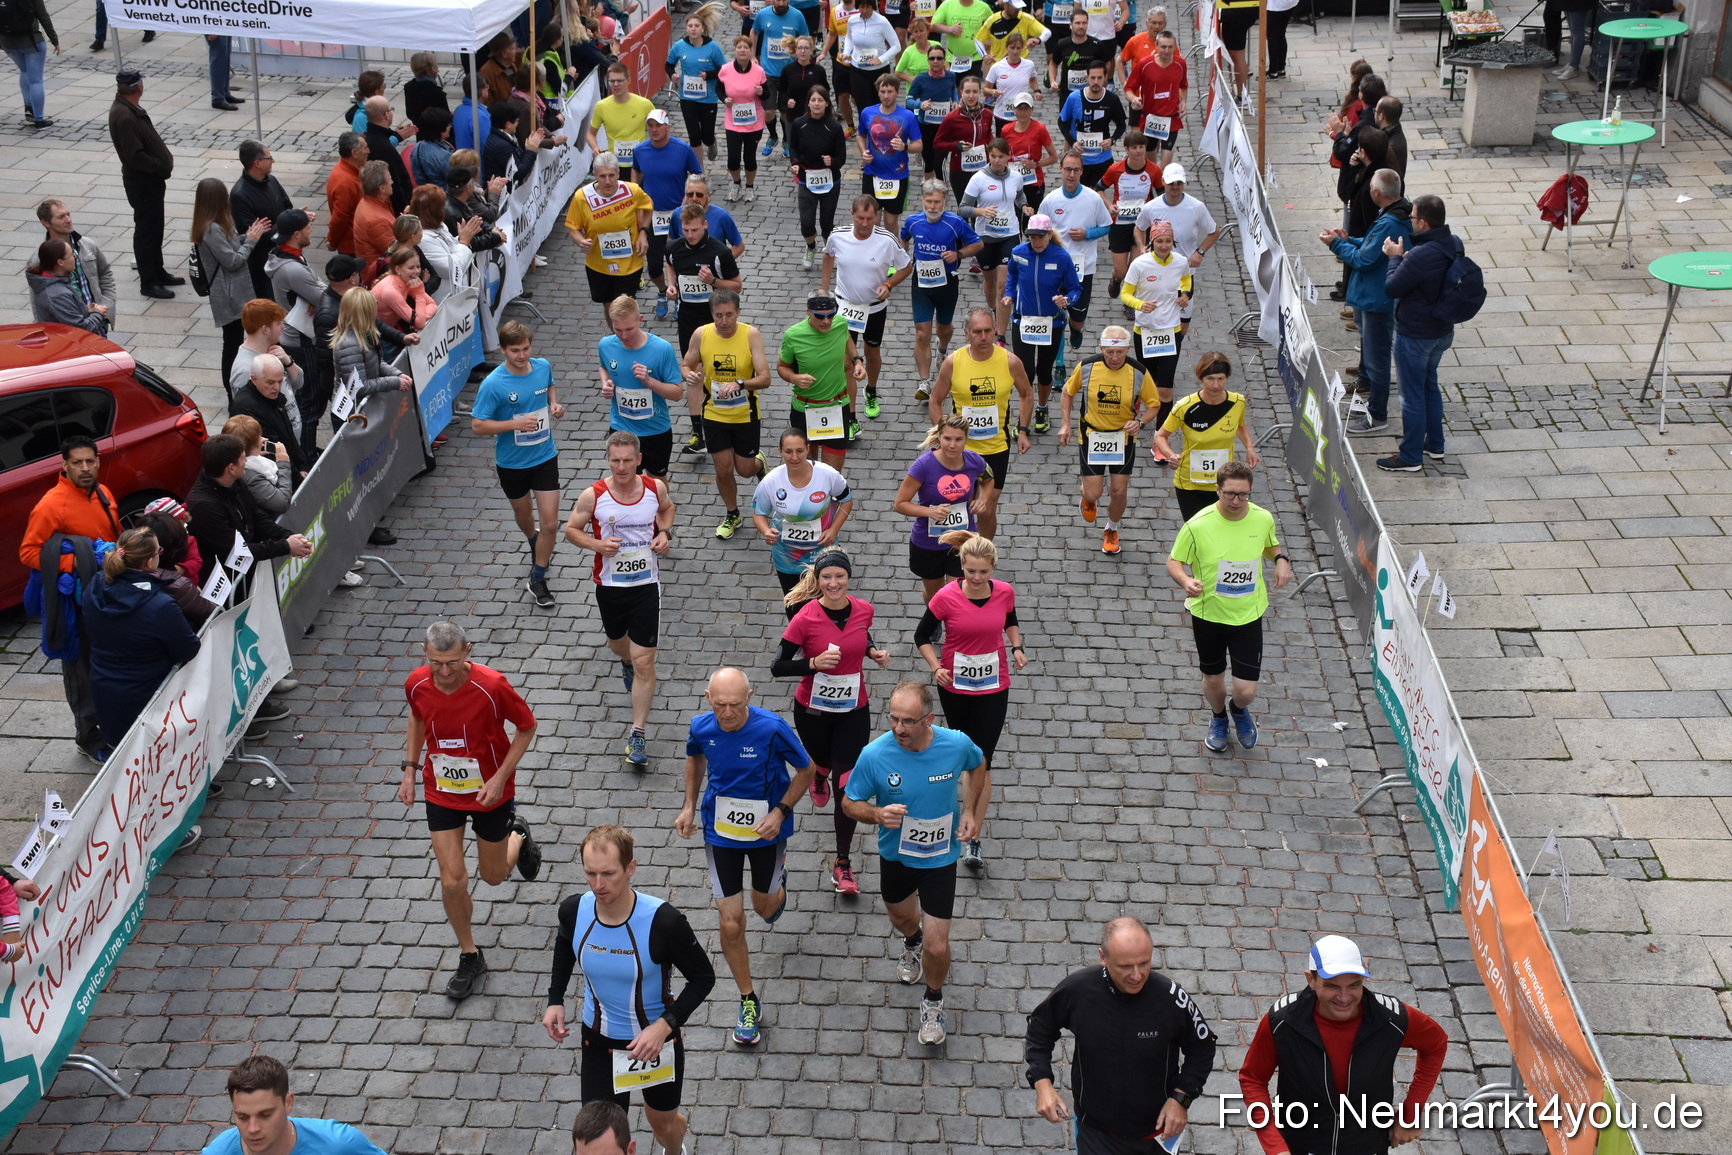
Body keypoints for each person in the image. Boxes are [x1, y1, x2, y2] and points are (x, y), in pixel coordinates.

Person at [544, 826, 714, 1155]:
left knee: (663, 1126)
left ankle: (675, 1150)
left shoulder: (664, 922)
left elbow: (703, 978)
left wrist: (664, 1026)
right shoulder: (574, 910)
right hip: (599, 1044)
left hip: (655, 1045)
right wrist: (555, 999)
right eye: (590, 873)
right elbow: (565, 943)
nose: (598, 884)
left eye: (608, 874)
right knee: (598, 1141)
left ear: (630, 868)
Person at [841, 680, 989, 1047]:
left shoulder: (955, 744)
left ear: (929, 720)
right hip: (897, 857)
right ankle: (912, 940)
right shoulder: (875, 755)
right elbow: (848, 803)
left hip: (941, 858)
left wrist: (970, 811)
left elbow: (978, 765)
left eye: (908, 721)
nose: (899, 729)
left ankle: (933, 1001)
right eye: (893, 719)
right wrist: (877, 814)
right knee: (901, 917)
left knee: (938, 947)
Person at [400, 621, 542, 1000]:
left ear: (467, 651)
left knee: (493, 876)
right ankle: (469, 954)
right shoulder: (416, 683)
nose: (444, 672)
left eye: (451, 662)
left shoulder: (492, 686)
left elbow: (526, 726)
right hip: (441, 790)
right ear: (424, 653)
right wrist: (410, 771)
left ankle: (518, 835)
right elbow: (417, 716)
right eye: (435, 663)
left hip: (489, 793)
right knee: (452, 880)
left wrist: (500, 777)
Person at [674, 667, 815, 1046]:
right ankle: (747, 999)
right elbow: (695, 757)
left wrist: (780, 812)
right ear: (708, 699)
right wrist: (688, 806)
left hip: (768, 831)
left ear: (749, 697)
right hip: (721, 832)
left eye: (735, 705)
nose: (727, 713)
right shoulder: (701, 727)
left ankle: (777, 886)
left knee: (765, 908)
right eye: (719, 705)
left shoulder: (772, 728)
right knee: (731, 921)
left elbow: (807, 769)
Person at [1239, 935, 1450, 1155]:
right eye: (1332, 986)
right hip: (1300, 1146)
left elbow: (1435, 1045)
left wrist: (1410, 1114)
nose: (1344, 997)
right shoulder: (1283, 1022)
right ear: (1311, 980)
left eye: (1354, 985)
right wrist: (1276, 1148)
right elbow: (1253, 1078)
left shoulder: (1390, 1018)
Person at [1024, 917, 1218, 1154]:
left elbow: (1202, 1047)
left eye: (1144, 963)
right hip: (1095, 1133)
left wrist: (1181, 1099)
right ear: (1103, 957)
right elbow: (1040, 1028)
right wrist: (1042, 1081)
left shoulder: (1171, 998)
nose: (1137, 975)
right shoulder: (1077, 990)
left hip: (1156, 1134)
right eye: (1125, 966)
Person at [772, 549, 888, 896]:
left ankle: (842, 863)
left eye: (840, 576)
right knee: (821, 762)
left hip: (854, 711)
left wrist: (871, 652)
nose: (833, 583)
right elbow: (778, 666)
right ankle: (818, 773)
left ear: (848, 578)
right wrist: (812, 663)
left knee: (846, 788)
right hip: (813, 712)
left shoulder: (864, 609)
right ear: (818, 580)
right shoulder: (805, 617)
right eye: (827, 577)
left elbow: (862, 634)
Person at [564, 433, 677, 768]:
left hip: (646, 584)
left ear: (639, 459)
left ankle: (637, 732)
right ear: (608, 460)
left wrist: (664, 533)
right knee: (618, 644)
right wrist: (596, 545)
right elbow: (571, 529)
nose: (622, 467)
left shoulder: (655, 488)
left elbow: (668, 509)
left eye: (628, 460)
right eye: (615, 460)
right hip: (610, 585)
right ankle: (624, 660)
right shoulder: (594, 495)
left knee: (644, 661)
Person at [913, 528, 1021, 871]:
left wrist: (1016, 647)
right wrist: (936, 668)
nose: (976, 578)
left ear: (993, 569)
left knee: (982, 759)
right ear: (961, 566)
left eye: (983, 572)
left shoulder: (1004, 592)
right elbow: (921, 635)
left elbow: (1010, 618)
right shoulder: (945, 597)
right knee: (966, 755)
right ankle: (962, 814)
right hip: (956, 686)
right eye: (970, 571)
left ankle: (973, 833)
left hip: (994, 685)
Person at [1164, 459, 1290, 752]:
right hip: (1208, 614)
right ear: (1217, 490)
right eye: (1230, 494)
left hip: (1248, 614)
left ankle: (1238, 709)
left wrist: (1281, 560)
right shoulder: (1198, 525)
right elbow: (1174, 561)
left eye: (1243, 495)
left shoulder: (1262, 518)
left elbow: (1269, 543)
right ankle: (1219, 717)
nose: (1236, 501)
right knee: (1213, 678)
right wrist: (1185, 581)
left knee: (1246, 690)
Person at [20, 437, 120, 762]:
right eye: (77, 462)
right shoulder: (51, 505)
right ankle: (88, 738)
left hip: (105, 596)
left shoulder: (104, 494)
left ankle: (113, 726)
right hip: (74, 607)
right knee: (81, 671)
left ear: (98, 461)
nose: (85, 468)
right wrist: (72, 562)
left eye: (90, 461)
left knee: (108, 666)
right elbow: (28, 552)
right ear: (64, 465)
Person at [471, 320, 566, 608]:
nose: (522, 355)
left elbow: (549, 386)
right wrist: (514, 424)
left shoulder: (542, 366)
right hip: (512, 464)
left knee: (551, 522)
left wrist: (554, 404)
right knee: (524, 515)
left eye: (526, 349)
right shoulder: (493, 384)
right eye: (515, 351)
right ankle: (532, 539)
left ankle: (538, 578)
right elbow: (478, 425)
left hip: (545, 456)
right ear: (502, 350)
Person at [926, 307, 1033, 541]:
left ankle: (983, 552)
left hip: (996, 448)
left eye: (988, 331)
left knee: (986, 509)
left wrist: (1023, 430)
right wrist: (943, 436)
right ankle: (959, 549)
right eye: (977, 332)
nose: (983, 337)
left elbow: (1026, 394)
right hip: (961, 450)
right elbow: (935, 401)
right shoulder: (953, 362)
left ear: (995, 330)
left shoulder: (1010, 362)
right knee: (961, 504)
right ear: (966, 333)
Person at [1379, 194, 1464, 474]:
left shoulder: (1420, 255)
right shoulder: (1454, 243)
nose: (1411, 221)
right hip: (1441, 331)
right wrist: (1407, 260)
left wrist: (1395, 258)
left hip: (1416, 334)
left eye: (1413, 217)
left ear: (1424, 223)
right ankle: (1435, 444)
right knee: (1429, 385)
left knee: (1411, 395)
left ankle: (1410, 456)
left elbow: (1392, 288)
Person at [1324, 169, 1409, 438]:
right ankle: (1371, 393)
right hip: (1375, 296)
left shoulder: (1389, 222)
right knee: (1374, 355)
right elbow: (1372, 246)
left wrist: (1336, 245)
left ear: (1376, 192)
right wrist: (1349, 239)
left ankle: (1377, 414)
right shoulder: (1395, 213)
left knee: (1377, 359)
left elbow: (1364, 260)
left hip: (1377, 300)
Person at [1057, 325, 1156, 553]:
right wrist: (1065, 423)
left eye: (1120, 352)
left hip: (1123, 438)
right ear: (1101, 347)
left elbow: (1154, 405)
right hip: (1092, 435)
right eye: (1109, 352)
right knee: (1094, 492)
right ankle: (1087, 497)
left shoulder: (1138, 372)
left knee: (1119, 492)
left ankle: (1111, 528)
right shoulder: (1087, 366)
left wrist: (1140, 423)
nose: (1114, 357)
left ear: (1127, 349)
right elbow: (1067, 392)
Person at [186, 436, 314, 611]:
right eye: (242, 458)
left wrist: (287, 536)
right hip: (226, 588)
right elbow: (236, 553)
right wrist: (285, 546)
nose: (246, 461)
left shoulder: (236, 482)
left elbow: (257, 518)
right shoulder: (204, 507)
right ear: (231, 468)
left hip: (244, 574)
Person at [681, 289, 770, 538]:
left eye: (729, 315)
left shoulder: (751, 335)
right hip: (714, 413)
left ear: (738, 312)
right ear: (711, 314)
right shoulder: (701, 334)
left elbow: (765, 378)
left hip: (745, 414)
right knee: (722, 468)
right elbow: (686, 364)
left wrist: (740, 383)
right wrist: (689, 375)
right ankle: (732, 513)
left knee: (744, 469)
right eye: (718, 315)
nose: (724, 321)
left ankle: (759, 463)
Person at [823, 196, 910, 421]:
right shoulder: (838, 235)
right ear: (852, 215)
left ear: (877, 216)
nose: (865, 223)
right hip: (845, 306)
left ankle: (871, 390)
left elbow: (906, 267)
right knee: (847, 360)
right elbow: (828, 254)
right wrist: (824, 289)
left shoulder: (887, 240)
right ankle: (850, 412)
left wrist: (888, 284)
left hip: (874, 308)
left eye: (870, 218)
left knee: (872, 353)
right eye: (860, 218)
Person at [201, 1055, 389, 1155]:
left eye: (265, 1115)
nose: (253, 1129)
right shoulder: (218, 1152)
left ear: (288, 1102)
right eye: (242, 1117)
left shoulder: (340, 1145)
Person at [894, 415, 993, 602]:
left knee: (956, 593)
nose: (952, 445)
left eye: (958, 439)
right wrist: (930, 512)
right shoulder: (923, 466)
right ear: (939, 436)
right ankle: (934, 617)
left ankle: (952, 621)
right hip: (929, 542)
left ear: (966, 439)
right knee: (936, 596)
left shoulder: (975, 461)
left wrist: (982, 499)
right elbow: (900, 504)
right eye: (947, 438)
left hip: (963, 539)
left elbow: (988, 480)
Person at [900, 180, 983, 399]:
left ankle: (942, 349)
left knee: (944, 328)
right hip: (921, 284)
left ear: (945, 202)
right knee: (922, 334)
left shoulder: (955, 223)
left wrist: (959, 254)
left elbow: (978, 244)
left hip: (947, 283)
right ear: (922, 200)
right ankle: (924, 382)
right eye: (929, 201)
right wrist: (902, 257)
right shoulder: (913, 221)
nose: (932, 206)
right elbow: (903, 237)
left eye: (937, 202)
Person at [1154, 350, 1257, 521]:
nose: (1216, 385)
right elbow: (1160, 436)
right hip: (1190, 483)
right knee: (1196, 529)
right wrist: (1170, 455)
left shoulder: (1237, 402)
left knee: (1222, 528)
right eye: (1210, 379)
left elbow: (1240, 425)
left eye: (1221, 379)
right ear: (1201, 378)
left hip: (1224, 483)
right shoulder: (1185, 406)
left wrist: (1249, 448)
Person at [753, 430, 855, 601]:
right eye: (788, 451)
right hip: (787, 557)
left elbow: (847, 500)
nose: (794, 457)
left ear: (808, 449)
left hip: (822, 552)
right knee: (794, 605)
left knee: (827, 604)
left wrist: (833, 530)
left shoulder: (827, 475)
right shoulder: (770, 481)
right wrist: (766, 531)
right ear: (780, 451)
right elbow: (759, 513)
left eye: (799, 451)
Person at [192, 178, 274, 390]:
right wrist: (251, 241)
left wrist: (249, 235)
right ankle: (232, 391)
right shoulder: (211, 229)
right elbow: (233, 261)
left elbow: (230, 246)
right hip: (228, 295)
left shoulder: (216, 225)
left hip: (234, 292)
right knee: (232, 343)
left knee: (235, 341)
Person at [1003, 213, 1079, 432]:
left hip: (1052, 323)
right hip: (1023, 321)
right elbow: (1012, 276)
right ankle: (1024, 416)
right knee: (1025, 372)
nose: (1036, 241)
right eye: (1032, 237)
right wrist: (1009, 294)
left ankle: (1043, 408)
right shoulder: (1018, 252)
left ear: (1049, 235)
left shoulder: (1061, 257)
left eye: (1040, 237)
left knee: (1044, 371)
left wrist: (1067, 300)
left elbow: (1075, 288)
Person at [109, 70, 180, 299]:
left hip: (149, 182)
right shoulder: (125, 116)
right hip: (143, 183)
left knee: (155, 228)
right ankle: (149, 282)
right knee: (147, 232)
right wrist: (158, 166)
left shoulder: (129, 109)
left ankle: (157, 271)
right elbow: (135, 156)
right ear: (139, 87)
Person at [599, 295, 685, 480]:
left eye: (629, 329)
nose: (624, 336)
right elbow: (604, 366)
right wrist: (605, 382)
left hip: (655, 430)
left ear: (640, 320)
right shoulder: (605, 345)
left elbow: (678, 393)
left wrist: (649, 381)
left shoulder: (662, 349)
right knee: (625, 483)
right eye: (618, 330)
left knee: (656, 483)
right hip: (621, 428)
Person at [777, 295, 867, 468]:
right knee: (806, 470)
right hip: (805, 409)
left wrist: (857, 361)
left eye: (830, 315)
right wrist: (794, 378)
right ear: (808, 312)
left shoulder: (840, 324)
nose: (826, 321)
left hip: (837, 407)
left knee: (831, 474)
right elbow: (782, 367)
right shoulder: (793, 335)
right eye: (820, 316)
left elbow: (847, 339)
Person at [634, 110, 705, 319]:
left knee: (681, 260)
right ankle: (662, 291)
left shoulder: (682, 149)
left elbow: (697, 175)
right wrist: (636, 198)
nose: (654, 130)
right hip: (652, 216)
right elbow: (636, 172)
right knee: (654, 265)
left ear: (668, 127)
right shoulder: (640, 150)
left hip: (680, 214)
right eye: (650, 126)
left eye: (658, 125)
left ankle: (679, 296)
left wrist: (688, 200)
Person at [1037, 152, 1111, 354]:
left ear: (1081, 172)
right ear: (1060, 169)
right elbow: (1038, 231)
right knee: (1054, 313)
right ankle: (1057, 358)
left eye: (1076, 170)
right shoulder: (1050, 200)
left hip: (1083, 267)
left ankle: (1076, 329)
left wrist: (1087, 234)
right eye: (1068, 169)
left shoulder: (1093, 199)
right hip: (1055, 266)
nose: (1071, 174)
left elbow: (1106, 225)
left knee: (1078, 316)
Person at [957, 139, 1029, 335]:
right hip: (985, 237)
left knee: (1003, 284)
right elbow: (962, 208)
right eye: (993, 156)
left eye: (1001, 156)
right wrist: (980, 211)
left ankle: (1001, 332)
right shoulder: (978, 179)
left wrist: (1024, 206)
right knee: (989, 282)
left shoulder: (1016, 177)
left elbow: (1019, 196)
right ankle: (994, 309)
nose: (997, 160)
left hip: (1010, 234)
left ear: (1008, 157)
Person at [1132, 163, 1218, 329]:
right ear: (1163, 182)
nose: (1175, 187)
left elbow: (1214, 232)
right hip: (1155, 270)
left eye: (1179, 183)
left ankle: (1175, 344)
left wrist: (1199, 252)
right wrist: (1142, 247)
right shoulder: (1151, 207)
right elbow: (1139, 228)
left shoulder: (1196, 207)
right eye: (1171, 183)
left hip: (1183, 272)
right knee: (1154, 318)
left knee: (1182, 325)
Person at [330, 285, 415, 445]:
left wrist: (396, 374)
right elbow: (360, 386)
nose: (377, 304)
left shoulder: (364, 333)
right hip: (352, 415)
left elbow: (376, 362)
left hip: (363, 410)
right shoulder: (349, 345)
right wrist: (394, 382)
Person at [1119, 217, 1190, 408]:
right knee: (1147, 383)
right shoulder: (1139, 264)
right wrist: (1140, 304)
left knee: (1165, 389)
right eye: (1159, 241)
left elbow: (1186, 279)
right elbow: (1125, 294)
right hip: (1145, 330)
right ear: (1152, 242)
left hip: (1171, 330)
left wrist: (1185, 294)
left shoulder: (1181, 261)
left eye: (1168, 241)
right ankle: (1137, 414)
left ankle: (1162, 426)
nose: (1164, 246)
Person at [664, 203, 742, 358]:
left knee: (714, 361)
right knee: (690, 361)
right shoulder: (673, 248)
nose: (690, 235)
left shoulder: (720, 252)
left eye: (694, 230)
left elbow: (737, 286)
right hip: (686, 315)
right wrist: (671, 285)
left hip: (713, 316)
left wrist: (713, 281)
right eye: (685, 230)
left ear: (705, 225)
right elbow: (670, 264)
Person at [789, 84, 848, 274]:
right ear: (808, 103)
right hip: (807, 179)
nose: (816, 103)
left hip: (830, 181)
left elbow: (842, 157)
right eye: (813, 100)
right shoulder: (799, 124)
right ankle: (811, 247)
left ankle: (830, 251)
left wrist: (833, 161)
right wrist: (795, 163)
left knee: (826, 222)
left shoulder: (835, 127)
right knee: (806, 222)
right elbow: (793, 148)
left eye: (820, 100)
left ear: (827, 103)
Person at [230, 355, 312, 485]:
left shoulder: (269, 396)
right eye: (270, 382)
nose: (277, 387)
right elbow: (271, 451)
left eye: (280, 381)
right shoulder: (247, 407)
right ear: (254, 379)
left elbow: (289, 435)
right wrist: (298, 478)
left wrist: (303, 465)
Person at [858, 73, 922, 234]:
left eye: (890, 91)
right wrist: (863, 152)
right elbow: (860, 135)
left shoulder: (907, 116)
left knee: (890, 222)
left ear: (897, 92)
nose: (886, 96)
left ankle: (894, 248)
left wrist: (904, 147)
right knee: (873, 220)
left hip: (897, 175)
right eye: (883, 91)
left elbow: (919, 145)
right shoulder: (867, 113)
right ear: (878, 92)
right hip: (872, 174)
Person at [35, 199, 116, 327]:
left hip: (99, 321)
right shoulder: (39, 259)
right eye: (61, 217)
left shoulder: (88, 245)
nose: (68, 220)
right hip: (71, 328)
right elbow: (38, 302)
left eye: (68, 214)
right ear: (45, 222)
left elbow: (105, 272)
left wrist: (107, 304)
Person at [230, 141, 294, 300]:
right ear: (257, 163)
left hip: (285, 254)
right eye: (269, 158)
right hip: (263, 265)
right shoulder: (240, 195)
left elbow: (288, 206)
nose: (273, 160)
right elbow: (255, 236)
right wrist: (286, 223)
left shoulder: (272, 181)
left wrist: (294, 217)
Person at [668, 7, 728, 161]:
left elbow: (724, 69)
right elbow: (669, 64)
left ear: (702, 28)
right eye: (690, 26)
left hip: (708, 98)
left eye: (696, 26)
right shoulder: (680, 46)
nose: (693, 29)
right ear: (686, 28)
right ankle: (699, 169)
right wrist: (672, 75)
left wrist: (709, 75)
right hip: (687, 97)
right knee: (694, 136)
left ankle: (711, 142)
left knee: (706, 136)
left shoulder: (712, 47)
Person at [751, 0, 811, 153]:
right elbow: (754, 31)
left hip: (789, 73)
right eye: (778, 0)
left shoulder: (797, 16)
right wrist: (752, 56)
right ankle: (773, 135)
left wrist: (803, 57)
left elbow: (805, 37)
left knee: (785, 111)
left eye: (784, 0)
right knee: (768, 111)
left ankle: (786, 139)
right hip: (768, 72)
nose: (781, 3)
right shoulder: (763, 14)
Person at [1058, 60, 1124, 187]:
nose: (1096, 82)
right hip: (1078, 159)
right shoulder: (1074, 98)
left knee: (1096, 194)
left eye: (1099, 78)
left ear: (1106, 77)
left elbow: (1121, 125)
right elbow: (1062, 122)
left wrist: (1112, 140)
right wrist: (1072, 142)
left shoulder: (1112, 99)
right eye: (1092, 78)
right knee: (1078, 193)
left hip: (1102, 158)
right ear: (1086, 77)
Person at [931, 75, 995, 205]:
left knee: (983, 207)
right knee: (965, 209)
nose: (971, 96)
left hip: (983, 169)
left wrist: (993, 146)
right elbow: (937, 143)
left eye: (975, 92)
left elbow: (988, 136)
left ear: (979, 92)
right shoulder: (951, 118)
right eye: (967, 92)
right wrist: (956, 145)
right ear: (961, 92)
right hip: (960, 171)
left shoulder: (987, 114)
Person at [719, 35, 769, 200]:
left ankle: (749, 187)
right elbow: (718, 88)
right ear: (734, 50)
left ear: (750, 51)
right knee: (733, 158)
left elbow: (767, 94)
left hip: (754, 121)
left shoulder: (758, 71)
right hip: (733, 121)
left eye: (746, 47)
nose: (742, 50)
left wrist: (761, 92)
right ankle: (736, 183)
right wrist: (724, 99)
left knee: (749, 157)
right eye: (739, 47)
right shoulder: (725, 70)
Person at [1124, 29, 1184, 165]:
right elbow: (1128, 88)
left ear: (1175, 47)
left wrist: (1183, 101)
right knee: (1152, 165)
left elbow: (1183, 85)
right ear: (1156, 46)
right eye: (1163, 47)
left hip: (1171, 119)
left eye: (1170, 47)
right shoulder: (1145, 64)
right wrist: (1134, 99)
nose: (1166, 51)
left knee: (1165, 165)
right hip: (1150, 119)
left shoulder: (1181, 64)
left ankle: (1163, 177)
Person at [26, 240, 108, 334]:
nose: (75, 257)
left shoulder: (58, 281)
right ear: (60, 262)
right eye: (72, 255)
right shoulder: (57, 295)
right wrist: (97, 313)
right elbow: (80, 329)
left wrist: (86, 309)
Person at [906, 41, 958, 180]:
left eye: (939, 58)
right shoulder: (920, 79)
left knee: (939, 160)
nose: (936, 61)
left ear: (944, 60)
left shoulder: (951, 76)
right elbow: (908, 101)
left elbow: (953, 90)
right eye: (932, 58)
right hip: (926, 125)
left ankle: (940, 184)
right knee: (929, 160)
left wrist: (955, 101)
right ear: (928, 60)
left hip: (944, 125)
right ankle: (928, 184)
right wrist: (920, 104)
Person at [2, 0, 59, 129]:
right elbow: (43, 15)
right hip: (31, 40)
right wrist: (54, 40)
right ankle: (39, 120)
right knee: (36, 81)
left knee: (24, 70)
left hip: (7, 41)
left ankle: (29, 108)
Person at [223, 414, 293, 519]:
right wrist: (283, 463)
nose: (263, 439)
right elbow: (282, 503)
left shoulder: (228, 458)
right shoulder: (252, 478)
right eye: (259, 437)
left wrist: (254, 452)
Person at [998, 91, 1056, 210]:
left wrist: (1036, 164)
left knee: (1031, 218)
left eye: (1026, 108)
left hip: (1034, 183)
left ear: (1032, 110)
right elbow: (1001, 155)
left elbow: (1054, 157)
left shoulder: (1040, 129)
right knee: (1013, 217)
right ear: (1014, 110)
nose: (1023, 112)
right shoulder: (1005, 130)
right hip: (1012, 182)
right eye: (1020, 108)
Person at [360, 95, 415, 213]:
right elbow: (395, 184)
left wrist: (397, 136)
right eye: (391, 109)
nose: (391, 112)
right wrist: (404, 212)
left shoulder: (368, 137)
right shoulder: (384, 147)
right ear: (386, 115)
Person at [845, 0, 901, 113]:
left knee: (879, 106)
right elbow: (849, 38)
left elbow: (896, 46)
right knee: (862, 107)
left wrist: (881, 59)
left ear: (873, 7)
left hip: (879, 71)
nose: (864, 10)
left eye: (868, 7)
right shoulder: (852, 21)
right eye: (862, 7)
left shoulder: (882, 21)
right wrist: (846, 52)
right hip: (858, 69)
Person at [371, 246, 438, 336]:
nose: (417, 271)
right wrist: (419, 293)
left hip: (385, 332)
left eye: (418, 267)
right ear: (398, 270)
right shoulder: (390, 291)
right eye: (411, 268)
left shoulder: (405, 279)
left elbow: (432, 304)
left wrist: (422, 316)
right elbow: (420, 323)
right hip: (374, 335)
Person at [1045, 11, 1111, 101]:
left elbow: (1107, 64)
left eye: (1084, 23)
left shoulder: (1096, 45)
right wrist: (1053, 81)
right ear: (1070, 25)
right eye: (1077, 23)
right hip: (1067, 94)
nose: (1081, 26)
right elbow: (1053, 64)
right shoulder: (1062, 44)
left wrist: (1101, 81)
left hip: (1090, 93)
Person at [324, 132, 369, 256]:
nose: (368, 151)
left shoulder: (346, 169)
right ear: (355, 153)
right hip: (353, 247)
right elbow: (339, 218)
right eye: (365, 148)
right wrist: (332, 241)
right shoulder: (345, 182)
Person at [931, 0, 994, 78]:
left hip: (976, 57)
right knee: (954, 85)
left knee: (972, 85)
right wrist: (949, 29)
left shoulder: (983, 7)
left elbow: (994, 26)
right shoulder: (947, 4)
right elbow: (934, 25)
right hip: (952, 57)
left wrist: (988, 41)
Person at [350, 161, 398, 262]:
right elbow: (398, 254)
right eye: (390, 179)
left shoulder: (367, 202)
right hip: (382, 270)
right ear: (382, 188)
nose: (392, 182)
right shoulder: (376, 221)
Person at [1214, 0, 1258, 101]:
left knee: (1237, 56)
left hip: (1236, 11)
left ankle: (1242, 97)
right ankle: (1244, 74)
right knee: (1236, 54)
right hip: (1243, 9)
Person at [404, 51, 450, 122]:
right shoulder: (437, 93)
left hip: (418, 126)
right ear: (429, 70)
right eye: (435, 67)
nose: (437, 69)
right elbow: (446, 118)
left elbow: (410, 113)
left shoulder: (409, 87)